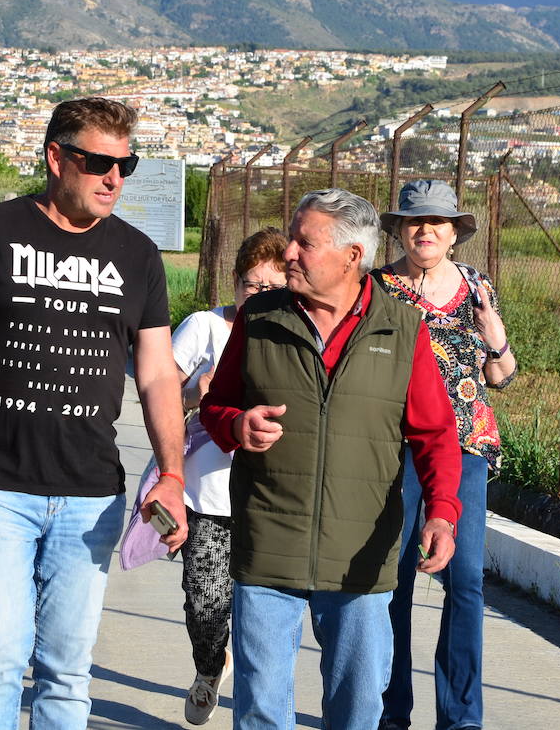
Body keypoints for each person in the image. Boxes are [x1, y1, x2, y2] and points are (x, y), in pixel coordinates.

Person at [0, 97, 189, 729]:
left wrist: (171, 473)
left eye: (127, 164)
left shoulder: (138, 255)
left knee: (67, 669)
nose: (113, 179)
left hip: (90, 493)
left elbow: (156, 372)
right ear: (56, 158)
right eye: (97, 163)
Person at [199, 188, 463, 730]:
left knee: (358, 708)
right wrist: (235, 424)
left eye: (304, 243)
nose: (288, 253)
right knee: (260, 710)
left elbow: (435, 434)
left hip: (360, 558)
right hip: (268, 544)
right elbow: (215, 405)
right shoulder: (259, 318)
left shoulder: (401, 327)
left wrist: (441, 511)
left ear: (352, 257)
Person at [374, 180, 517, 730]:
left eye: (438, 221)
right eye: (415, 221)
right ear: (399, 230)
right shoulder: (378, 289)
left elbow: (499, 376)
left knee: (465, 580)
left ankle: (460, 718)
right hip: (396, 447)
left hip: (466, 447)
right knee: (396, 578)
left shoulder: (478, 287)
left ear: (455, 232)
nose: (426, 230)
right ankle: (391, 711)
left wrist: (495, 335)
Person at [171, 226, 286, 725]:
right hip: (208, 493)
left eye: (270, 287)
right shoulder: (206, 326)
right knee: (206, 601)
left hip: (270, 496)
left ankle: (256, 702)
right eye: (250, 284)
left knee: (261, 612)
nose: (257, 295)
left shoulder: (289, 333)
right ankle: (208, 666)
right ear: (235, 282)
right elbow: (159, 393)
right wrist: (196, 392)